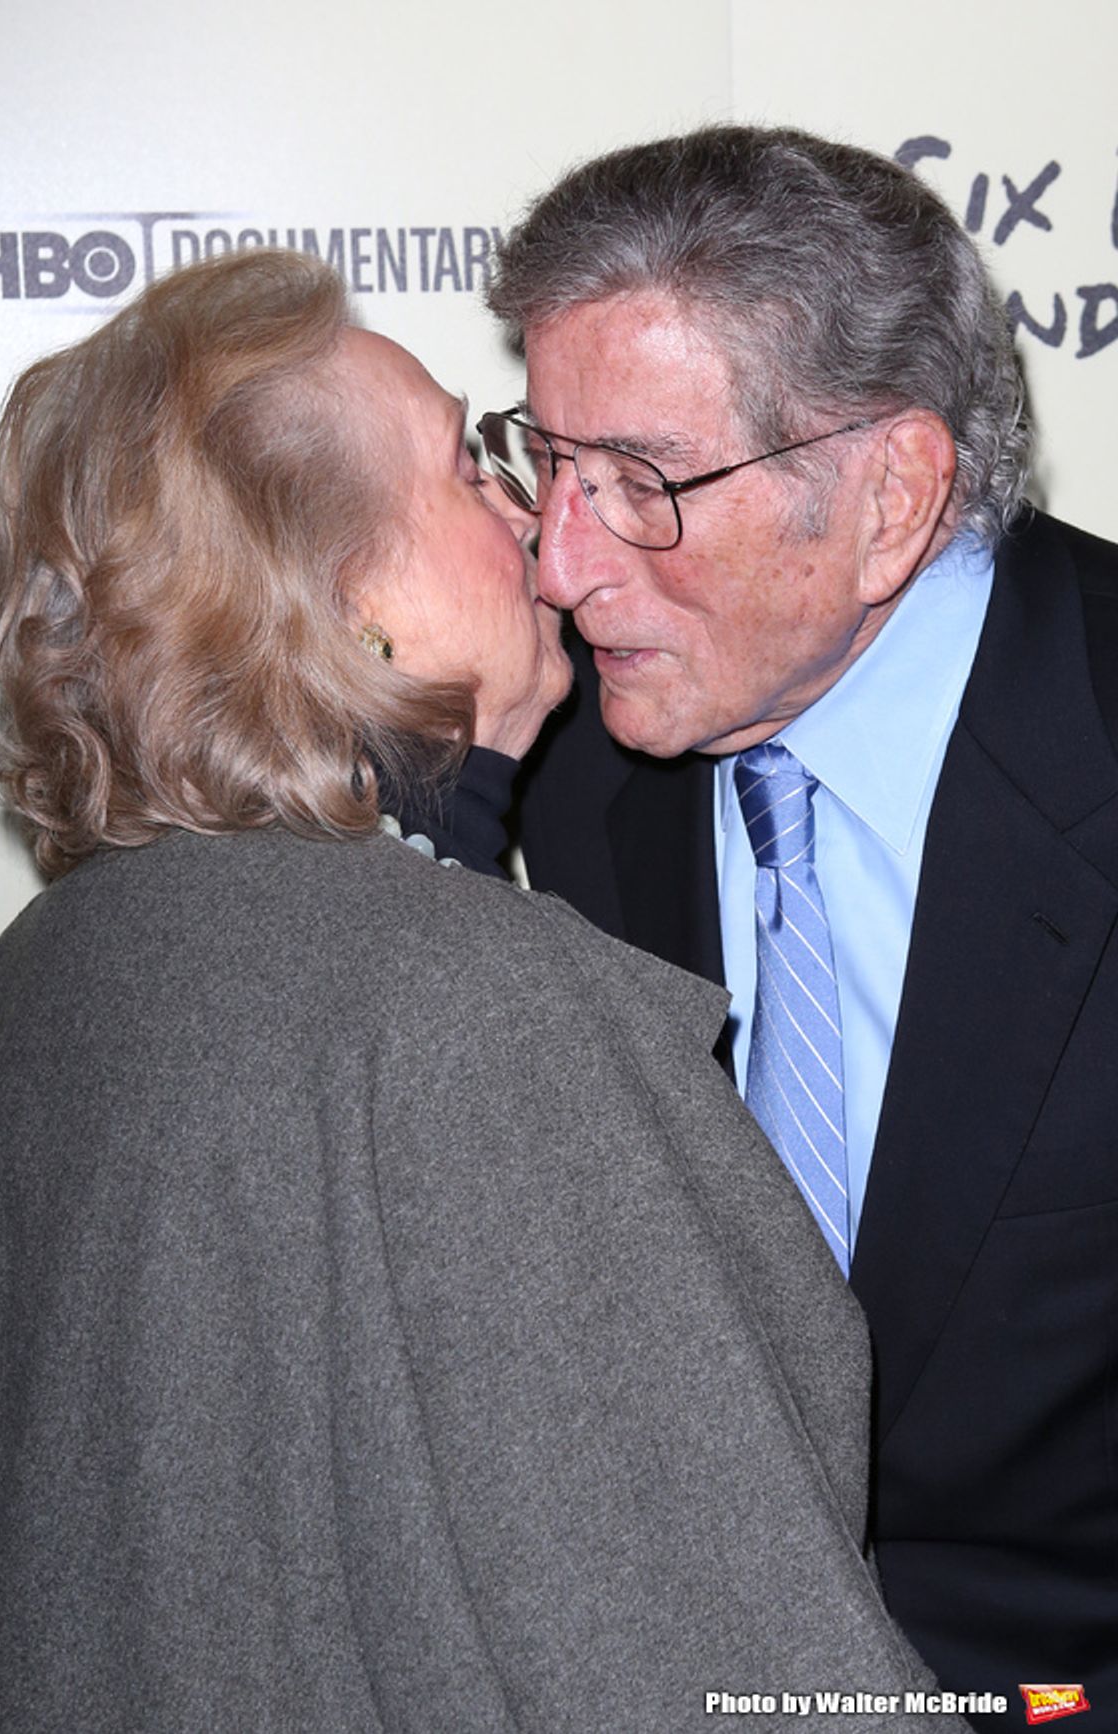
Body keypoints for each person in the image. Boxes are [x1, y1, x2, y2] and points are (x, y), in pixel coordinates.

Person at [0, 248, 964, 1733]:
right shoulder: (473, 1013)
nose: (542, 521)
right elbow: (736, 1671)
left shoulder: (35, 983)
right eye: (470, 474)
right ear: (348, 609)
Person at [483, 125, 1118, 1732]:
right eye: (547, 464)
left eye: (642, 483)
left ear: (890, 492)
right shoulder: (561, 765)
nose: (560, 566)